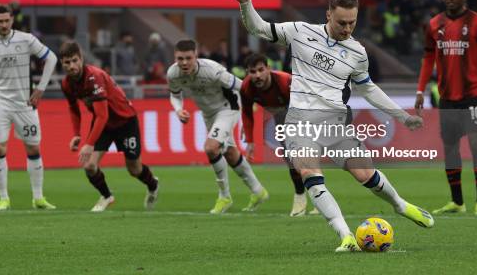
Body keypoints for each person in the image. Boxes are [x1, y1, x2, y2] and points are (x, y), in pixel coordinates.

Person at [233, 0, 433, 252]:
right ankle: (346, 236)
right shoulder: (300, 32)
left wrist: (402, 116)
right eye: (342, 22)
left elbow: (369, 89)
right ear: (328, 15)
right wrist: (246, 3)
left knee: (365, 174)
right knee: (309, 173)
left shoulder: (358, 52)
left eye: (352, 23)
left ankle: (400, 205)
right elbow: (258, 27)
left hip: (334, 122)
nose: (347, 29)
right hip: (299, 123)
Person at [415, 0, 477, 216]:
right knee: (451, 148)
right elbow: (428, 59)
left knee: (475, 144)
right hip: (447, 97)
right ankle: (457, 201)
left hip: (473, 94)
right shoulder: (434, 24)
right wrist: (420, 90)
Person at [167, 39, 268, 214]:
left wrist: (247, 116)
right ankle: (258, 191)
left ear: (196, 56)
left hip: (228, 108)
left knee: (211, 148)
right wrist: (178, 110)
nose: (184, 63)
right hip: (208, 114)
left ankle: (224, 197)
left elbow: (243, 86)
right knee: (229, 153)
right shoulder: (173, 73)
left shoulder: (213, 71)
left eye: (188, 58)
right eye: (180, 58)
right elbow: (175, 95)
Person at [59, 41, 159, 212]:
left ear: (82, 59)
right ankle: (106, 196)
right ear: (62, 63)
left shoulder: (93, 77)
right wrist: (76, 133)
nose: (72, 66)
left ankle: (153, 184)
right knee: (90, 166)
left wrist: (89, 144)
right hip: (104, 125)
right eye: (67, 63)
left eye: (75, 60)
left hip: (125, 121)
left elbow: (102, 115)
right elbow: (73, 108)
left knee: (134, 169)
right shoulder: (67, 83)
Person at [0, 4, 58, 211]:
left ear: (12, 20)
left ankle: (38, 198)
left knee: (32, 148)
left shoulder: (26, 39)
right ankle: (4, 199)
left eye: (7, 20)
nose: (4, 24)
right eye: (0, 21)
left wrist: (40, 89)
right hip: (0, 103)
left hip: (25, 104)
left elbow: (52, 58)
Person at [240, 53, 319, 217]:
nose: (257, 75)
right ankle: (301, 197)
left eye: (261, 70)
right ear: (247, 73)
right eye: (252, 72)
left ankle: (318, 198)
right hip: (281, 117)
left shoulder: (285, 82)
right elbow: (247, 114)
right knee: (291, 160)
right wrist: (250, 141)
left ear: (269, 69)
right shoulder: (246, 88)